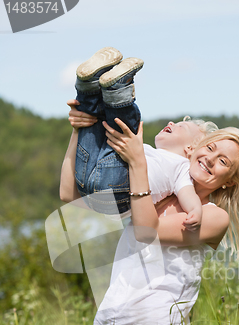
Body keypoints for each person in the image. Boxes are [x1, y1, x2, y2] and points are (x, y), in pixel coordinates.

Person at [60, 98, 239, 325]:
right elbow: (70, 195)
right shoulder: (155, 192)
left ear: (230, 181)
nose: (211, 159)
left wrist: (138, 161)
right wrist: (79, 131)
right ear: (194, 150)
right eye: (210, 148)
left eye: (223, 161)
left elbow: (146, 230)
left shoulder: (213, 217)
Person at [64, 46, 218, 231]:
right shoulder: (148, 152)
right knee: (96, 125)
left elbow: (188, 194)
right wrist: (78, 129)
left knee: (126, 129)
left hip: (118, 194)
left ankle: (118, 88)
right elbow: (66, 194)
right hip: (89, 182)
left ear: (191, 149)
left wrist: (195, 211)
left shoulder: (181, 167)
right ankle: (88, 86)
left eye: (181, 126)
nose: (171, 122)